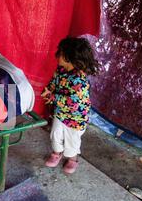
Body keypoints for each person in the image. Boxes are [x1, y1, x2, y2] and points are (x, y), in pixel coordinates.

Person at [41, 37, 99, 174]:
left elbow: (72, 102)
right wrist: (49, 89)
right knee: (55, 134)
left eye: (60, 53)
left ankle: (72, 158)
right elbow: (54, 82)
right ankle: (57, 152)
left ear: (69, 58)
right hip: (61, 113)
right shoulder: (61, 70)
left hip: (76, 118)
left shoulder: (79, 80)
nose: (57, 55)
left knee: (72, 140)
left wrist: (51, 97)